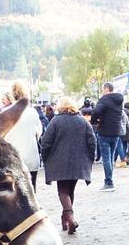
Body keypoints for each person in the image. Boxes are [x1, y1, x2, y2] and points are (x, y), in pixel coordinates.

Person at [39, 96, 97, 235]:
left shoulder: (55, 121)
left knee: (63, 191)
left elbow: (46, 142)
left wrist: (46, 158)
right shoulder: (82, 121)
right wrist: (89, 158)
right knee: (71, 190)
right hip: (78, 162)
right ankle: (66, 218)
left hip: (59, 162)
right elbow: (92, 141)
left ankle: (69, 218)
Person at [4, 82, 44, 190]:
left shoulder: (6, 112)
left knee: (15, 191)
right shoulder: (32, 112)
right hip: (31, 156)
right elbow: (38, 132)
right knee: (32, 189)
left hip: (13, 157)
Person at [90, 83, 126, 191]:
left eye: (102, 90)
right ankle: (110, 180)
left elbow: (96, 111)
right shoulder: (120, 99)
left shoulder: (104, 99)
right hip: (116, 131)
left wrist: (94, 121)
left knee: (106, 157)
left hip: (104, 131)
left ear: (106, 89)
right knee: (110, 157)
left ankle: (109, 182)